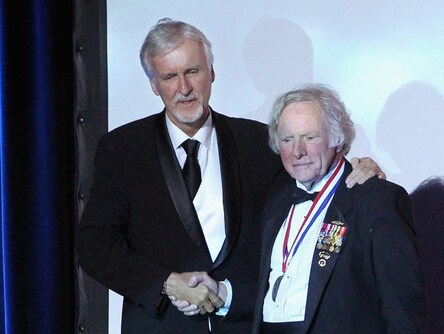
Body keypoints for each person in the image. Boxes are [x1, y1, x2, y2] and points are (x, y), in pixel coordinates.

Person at [76, 18, 384, 334]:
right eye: (170, 77)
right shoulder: (124, 148)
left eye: (193, 72)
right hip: (161, 326)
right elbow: (95, 244)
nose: (184, 89)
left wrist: (358, 172)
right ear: (154, 84)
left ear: (211, 72)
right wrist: (166, 284)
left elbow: (314, 186)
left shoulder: (258, 142)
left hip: (245, 324)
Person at [251, 84, 426, 334]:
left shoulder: (376, 201)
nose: (298, 151)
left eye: (310, 137)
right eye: (288, 139)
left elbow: (404, 312)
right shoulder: (275, 201)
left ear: (337, 138)